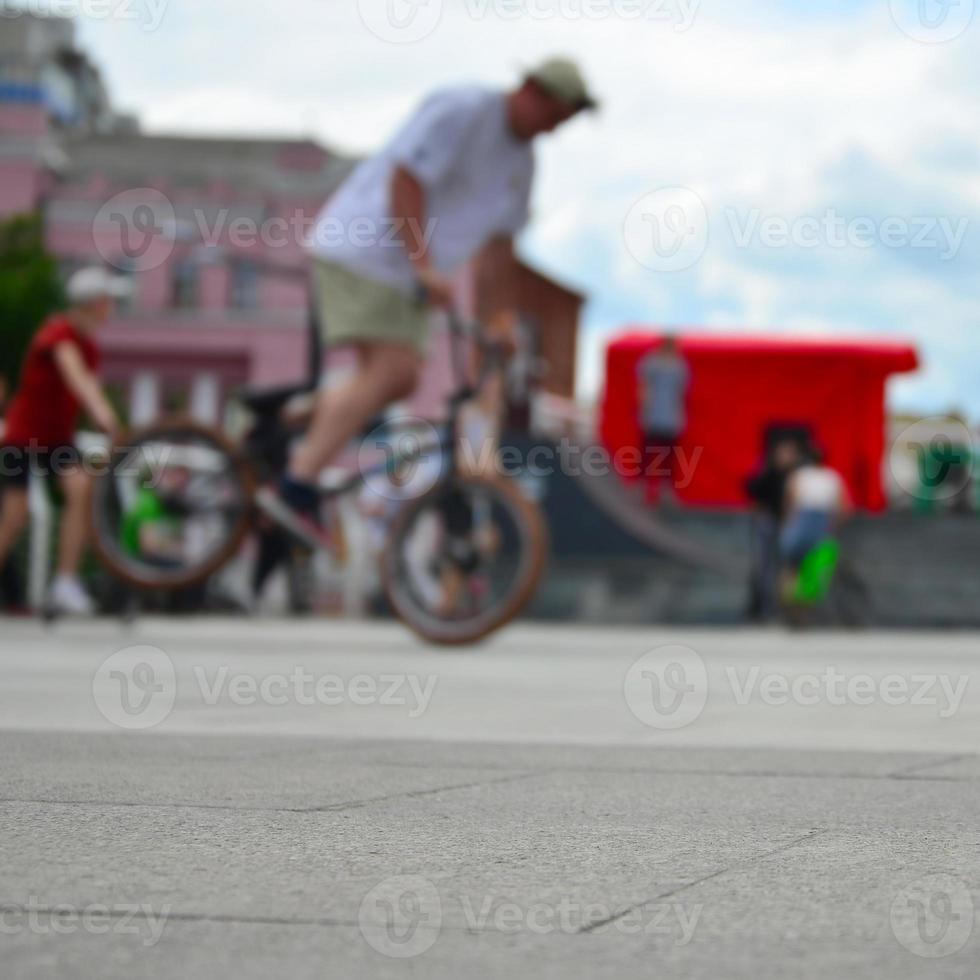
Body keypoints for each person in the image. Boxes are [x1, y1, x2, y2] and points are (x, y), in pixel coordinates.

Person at [263, 57, 597, 533]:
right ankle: (295, 487)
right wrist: (422, 263)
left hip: (409, 279)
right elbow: (406, 179)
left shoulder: (522, 164)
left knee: (399, 380)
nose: (552, 129)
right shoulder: (464, 108)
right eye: (553, 115)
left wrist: (500, 317)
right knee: (393, 371)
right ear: (531, 91)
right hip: (366, 252)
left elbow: (501, 248)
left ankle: (295, 416)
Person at [0, 267, 127, 615]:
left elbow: (92, 389)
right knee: (14, 516)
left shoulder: (90, 346)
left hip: (57, 439)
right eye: (107, 301)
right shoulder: (57, 334)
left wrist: (103, 420)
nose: (111, 308)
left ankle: (65, 582)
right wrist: (106, 418)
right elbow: (78, 381)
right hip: (24, 437)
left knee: (82, 488)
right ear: (93, 303)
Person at [745, 437, 803, 621]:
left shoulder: (796, 476)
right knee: (764, 567)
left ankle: (785, 609)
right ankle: (764, 608)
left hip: (786, 524)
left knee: (785, 568)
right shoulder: (768, 473)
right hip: (767, 522)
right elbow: (752, 489)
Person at [779, 447, 851, 578]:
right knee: (815, 565)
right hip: (821, 520)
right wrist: (834, 526)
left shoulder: (801, 475)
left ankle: (792, 588)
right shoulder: (832, 476)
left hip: (807, 519)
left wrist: (788, 522)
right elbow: (844, 506)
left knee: (794, 562)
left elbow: (790, 502)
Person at [636, 335, 690, 507]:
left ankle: (663, 488)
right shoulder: (653, 363)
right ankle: (650, 487)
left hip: (669, 418)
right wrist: (644, 411)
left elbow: (681, 394)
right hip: (655, 416)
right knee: (653, 453)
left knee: (667, 455)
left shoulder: (679, 366)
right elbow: (644, 388)